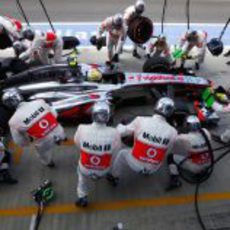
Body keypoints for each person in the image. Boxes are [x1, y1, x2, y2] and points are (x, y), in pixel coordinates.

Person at [107, 97, 177, 186]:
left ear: (157, 106)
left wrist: (121, 124)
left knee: (122, 153)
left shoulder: (140, 120)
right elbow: (167, 152)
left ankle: (114, 177)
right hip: (154, 168)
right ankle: (147, 171)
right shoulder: (173, 132)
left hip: (135, 164)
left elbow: (120, 132)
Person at [2, 88, 66, 167]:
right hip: (58, 130)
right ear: (20, 96)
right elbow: (54, 114)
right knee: (59, 134)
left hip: (43, 142)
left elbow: (20, 141)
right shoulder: (39, 102)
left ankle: (49, 163)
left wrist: (28, 141)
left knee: (43, 154)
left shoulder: (13, 121)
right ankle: (60, 139)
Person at [74, 101, 121, 207]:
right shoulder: (114, 132)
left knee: (80, 173)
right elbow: (116, 151)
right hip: (104, 170)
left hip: (86, 169)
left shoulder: (82, 128)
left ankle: (82, 196)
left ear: (93, 115)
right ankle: (113, 177)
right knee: (115, 158)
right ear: (108, 116)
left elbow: (77, 143)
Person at [166, 115, 211, 190]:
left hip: (195, 167)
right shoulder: (206, 132)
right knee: (193, 150)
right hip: (208, 163)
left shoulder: (184, 138)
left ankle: (174, 179)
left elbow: (173, 140)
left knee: (170, 157)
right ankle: (202, 171)